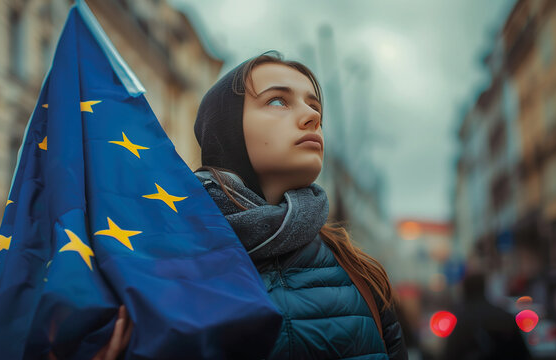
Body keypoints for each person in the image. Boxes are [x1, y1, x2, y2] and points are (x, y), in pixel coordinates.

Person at [95, 51, 407, 359]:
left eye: (314, 105)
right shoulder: (152, 261)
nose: (313, 117)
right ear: (226, 129)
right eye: (277, 101)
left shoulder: (361, 274)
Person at [442, 273, 532, 360]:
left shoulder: (461, 321)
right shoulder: (504, 316)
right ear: (484, 288)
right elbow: (523, 353)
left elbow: (450, 354)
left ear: (465, 290)